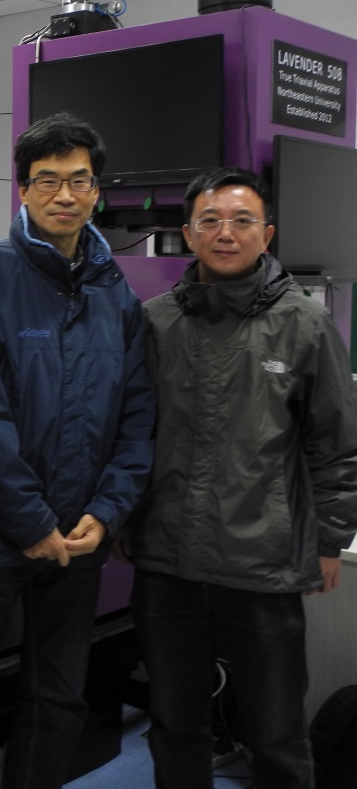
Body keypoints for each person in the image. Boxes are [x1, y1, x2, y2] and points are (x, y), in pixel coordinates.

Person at [0, 112, 155, 789]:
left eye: (78, 180)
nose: (64, 194)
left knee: (57, 701)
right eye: (47, 180)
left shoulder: (115, 291)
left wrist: (105, 512)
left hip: (79, 539)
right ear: (22, 190)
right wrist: (29, 522)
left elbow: (137, 414)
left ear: (97, 191)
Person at [125, 167, 357, 788]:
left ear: (267, 234)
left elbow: (336, 444)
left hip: (263, 564)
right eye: (210, 220)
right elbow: (129, 434)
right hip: (167, 561)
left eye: (242, 220)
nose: (225, 233)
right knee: (175, 724)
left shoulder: (305, 324)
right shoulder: (154, 322)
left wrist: (329, 539)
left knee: (276, 732)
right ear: (188, 233)